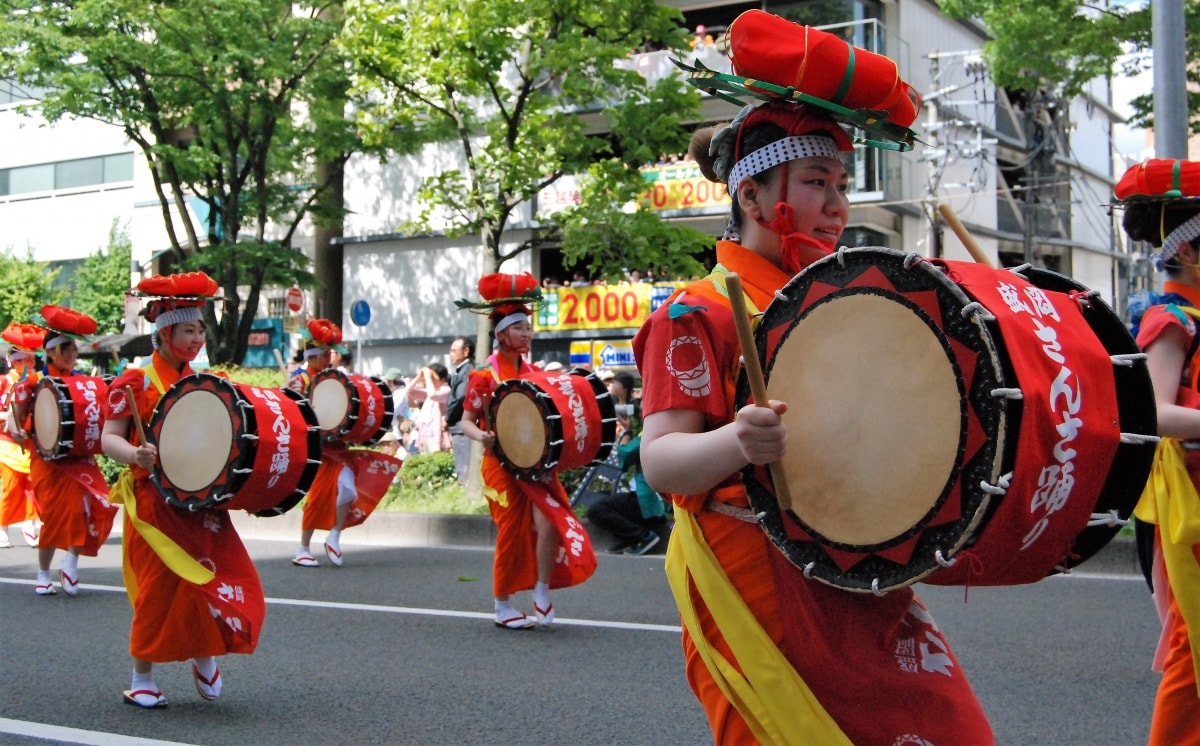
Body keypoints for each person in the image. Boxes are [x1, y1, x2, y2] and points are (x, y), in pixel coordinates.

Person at [633, 95, 993, 742]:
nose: (835, 205)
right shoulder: (696, 313)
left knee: (946, 728)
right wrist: (740, 440)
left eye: (841, 186)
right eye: (815, 183)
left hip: (855, 560)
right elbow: (660, 460)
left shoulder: (843, 302)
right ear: (751, 197)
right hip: (755, 574)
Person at [101, 271, 262, 708]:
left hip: (200, 500)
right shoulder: (134, 382)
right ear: (165, 333)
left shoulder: (208, 382)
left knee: (211, 574)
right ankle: (141, 678)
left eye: (199, 329)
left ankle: (205, 654)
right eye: (188, 329)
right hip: (153, 501)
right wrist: (133, 454)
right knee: (159, 587)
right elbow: (108, 436)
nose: (196, 337)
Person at [457, 272, 597, 629]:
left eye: (529, 328)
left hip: (534, 463)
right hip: (500, 464)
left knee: (550, 521)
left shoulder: (535, 373)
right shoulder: (483, 376)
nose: (527, 334)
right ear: (502, 333)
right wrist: (483, 437)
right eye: (519, 328)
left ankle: (541, 589)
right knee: (512, 531)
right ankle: (502, 604)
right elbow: (466, 421)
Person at [1119, 158, 1200, 745]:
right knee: (1193, 647)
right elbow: (1154, 412)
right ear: (1190, 251)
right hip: (1188, 506)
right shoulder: (1169, 320)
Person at [12, 307, 119, 595]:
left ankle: (71, 561)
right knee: (56, 514)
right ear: (50, 352)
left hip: (80, 454)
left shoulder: (85, 382)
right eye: (64, 348)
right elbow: (15, 420)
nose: (71, 354)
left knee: (89, 507)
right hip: (47, 458)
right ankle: (43, 572)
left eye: (73, 348)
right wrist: (18, 430)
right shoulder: (32, 383)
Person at [291, 318, 403, 568]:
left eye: (329, 354)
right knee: (318, 497)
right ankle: (303, 548)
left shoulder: (331, 378)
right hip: (316, 448)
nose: (328, 359)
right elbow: (293, 411)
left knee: (349, 489)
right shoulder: (300, 379)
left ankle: (334, 536)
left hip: (336, 446)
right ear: (312, 356)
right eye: (324, 354)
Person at [586, 370, 668, 555]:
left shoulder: (649, 435)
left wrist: (626, 431)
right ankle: (627, 539)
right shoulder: (660, 430)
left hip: (645, 500)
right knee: (613, 505)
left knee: (597, 510)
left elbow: (624, 456)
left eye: (643, 404)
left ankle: (642, 536)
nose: (639, 408)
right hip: (646, 498)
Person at [0, 323, 43, 549]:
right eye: (24, 360)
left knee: (33, 485)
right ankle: (2, 527)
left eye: (32, 360)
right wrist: (7, 415)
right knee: (10, 486)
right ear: (14, 362)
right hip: (6, 442)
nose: (29, 364)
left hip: (28, 439)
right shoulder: (3, 382)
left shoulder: (36, 382)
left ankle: (30, 523)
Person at [445, 335, 475, 483]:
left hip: (461, 424)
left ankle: (467, 494)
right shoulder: (462, 370)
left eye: (453, 350)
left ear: (466, 351)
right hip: (460, 425)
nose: (451, 354)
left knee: (464, 465)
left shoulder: (467, 370)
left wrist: (448, 417)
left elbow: (461, 397)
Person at [408, 362, 450, 454]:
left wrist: (427, 376)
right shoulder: (431, 391)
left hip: (437, 435)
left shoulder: (446, 390)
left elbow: (433, 395)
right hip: (424, 433)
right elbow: (409, 391)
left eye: (432, 376)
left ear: (442, 379)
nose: (429, 379)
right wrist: (419, 377)